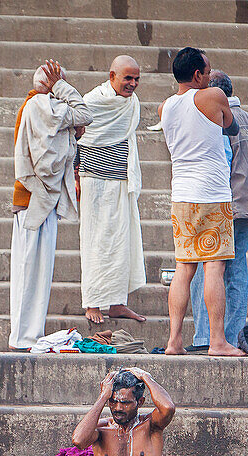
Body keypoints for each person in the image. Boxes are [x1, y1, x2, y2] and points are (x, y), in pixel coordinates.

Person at [158, 47, 245, 357]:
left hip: (181, 196)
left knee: (184, 269)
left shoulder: (165, 107)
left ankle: (174, 341)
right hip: (212, 196)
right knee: (213, 268)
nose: (210, 77)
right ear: (197, 75)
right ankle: (218, 341)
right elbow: (231, 126)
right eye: (207, 73)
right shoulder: (212, 97)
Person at [9, 60, 91, 351]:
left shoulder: (40, 106)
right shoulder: (42, 104)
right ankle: (25, 338)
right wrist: (61, 85)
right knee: (31, 271)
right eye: (58, 86)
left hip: (39, 200)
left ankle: (26, 336)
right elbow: (84, 113)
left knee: (32, 271)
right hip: (36, 200)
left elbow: (76, 127)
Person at [188, 70, 248, 351]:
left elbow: (220, 163)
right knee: (236, 271)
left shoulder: (220, 120)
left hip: (225, 205)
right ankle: (234, 335)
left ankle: (205, 336)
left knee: (207, 269)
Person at [77, 55, 147, 326]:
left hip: (121, 180)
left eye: (136, 79)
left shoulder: (132, 104)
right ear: (112, 76)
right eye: (127, 78)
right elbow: (79, 138)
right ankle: (93, 302)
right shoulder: (92, 101)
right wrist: (75, 174)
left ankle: (117, 303)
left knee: (121, 243)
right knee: (95, 242)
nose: (132, 84)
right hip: (94, 181)